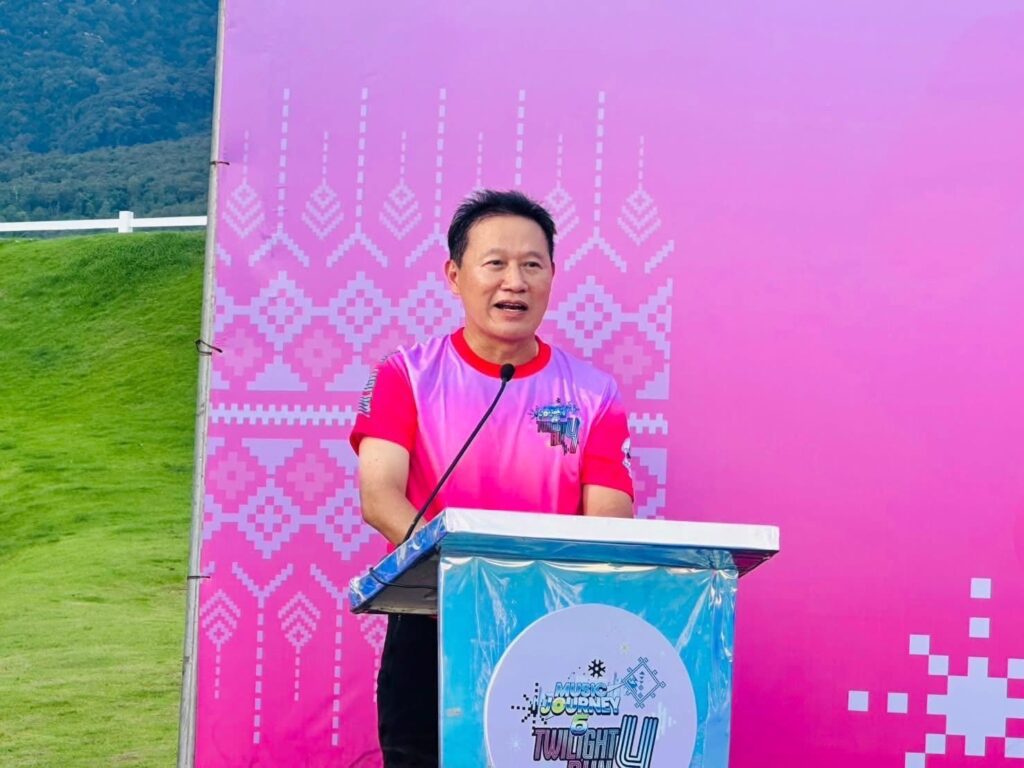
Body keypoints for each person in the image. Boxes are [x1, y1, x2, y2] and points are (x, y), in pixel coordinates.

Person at [349, 189, 634, 767]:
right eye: (495, 263)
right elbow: (380, 497)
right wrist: (466, 579)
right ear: (455, 276)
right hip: (433, 618)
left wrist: (524, 589)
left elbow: (610, 520)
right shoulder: (406, 375)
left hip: (548, 623)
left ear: (552, 276)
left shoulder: (594, 394)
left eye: (532, 265)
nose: (515, 282)